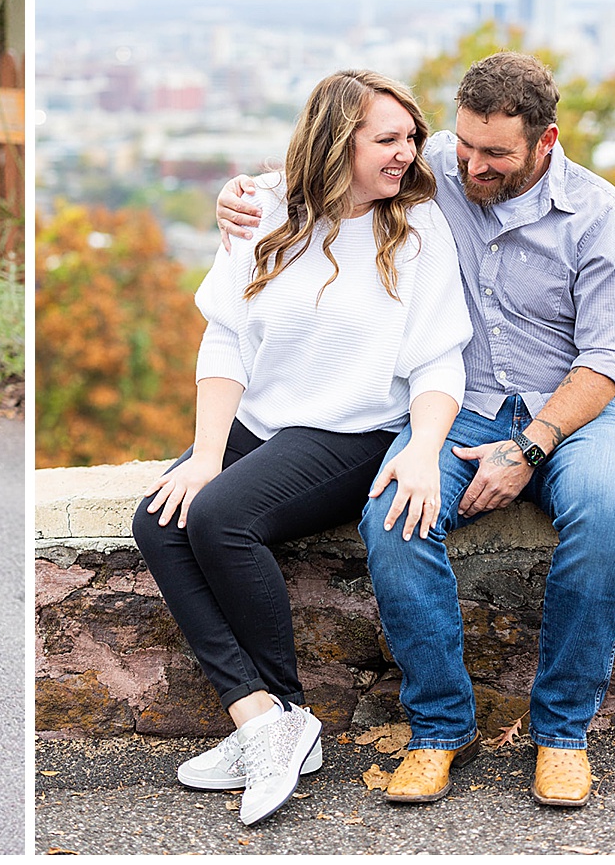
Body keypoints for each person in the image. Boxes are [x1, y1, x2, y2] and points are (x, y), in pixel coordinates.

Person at [217, 53, 615, 812]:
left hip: (574, 411)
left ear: (545, 142)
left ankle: (562, 734)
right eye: (465, 145)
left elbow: (607, 361)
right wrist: (240, 197)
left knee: (607, 518)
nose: (472, 165)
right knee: (392, 517)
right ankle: (443, 729)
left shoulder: (602, 215)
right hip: (460, 405)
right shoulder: (434, 164)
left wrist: (530, 446)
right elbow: (328, 169)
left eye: (496, 155)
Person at [133, 71, 470, 828]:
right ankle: (264, 721)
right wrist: (204, 452)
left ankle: (282, 713)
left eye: (410, 137)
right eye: (387, 139)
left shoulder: (417, 229)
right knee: (161, 517)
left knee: (220, 517)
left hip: (357, 429)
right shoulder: (262, 207)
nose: (406, 153)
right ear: (335, 141)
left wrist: (423, 450)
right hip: (269, 415)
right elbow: (225, 336)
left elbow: (439, 361)